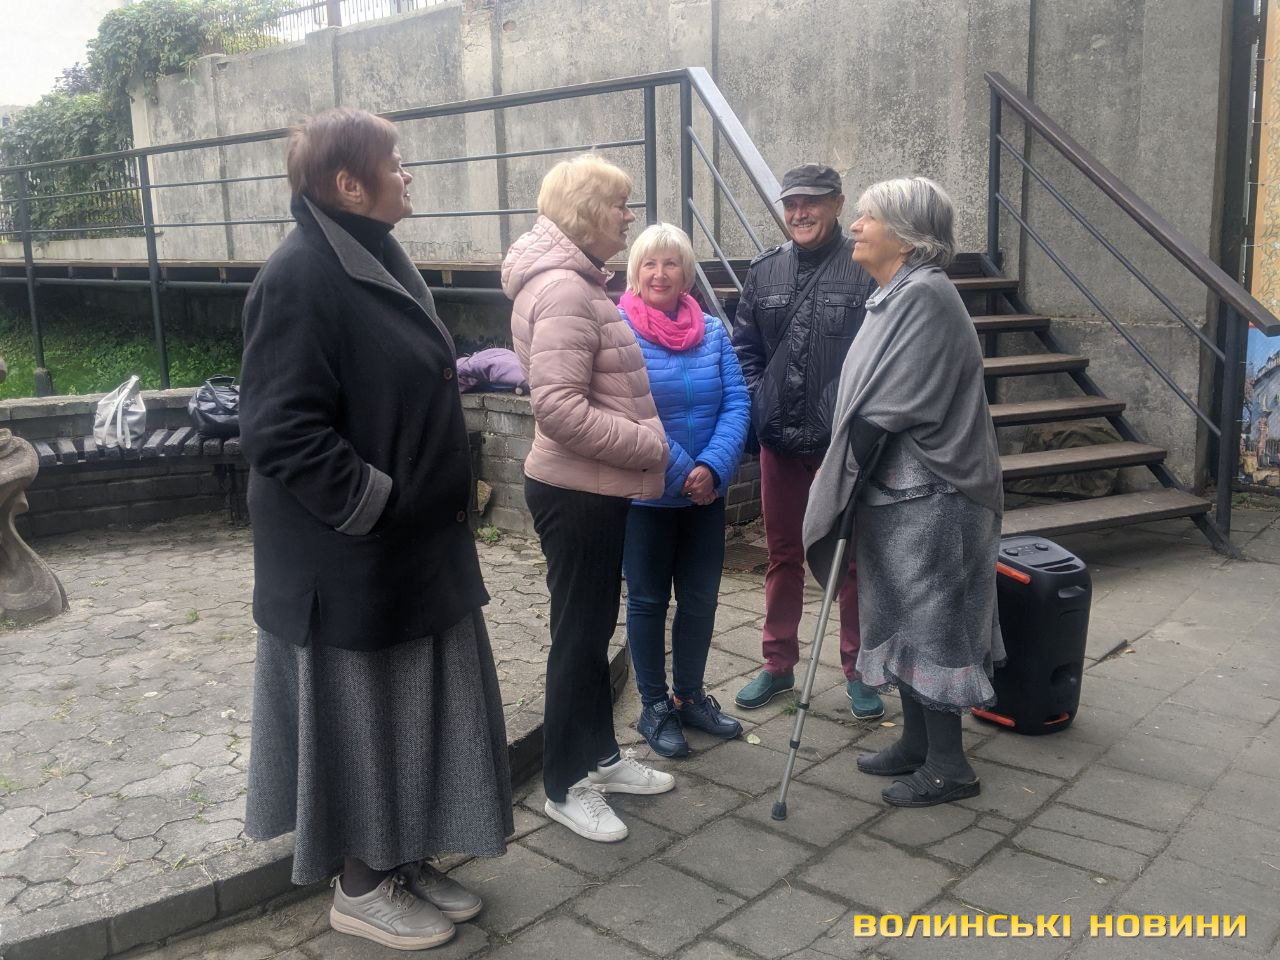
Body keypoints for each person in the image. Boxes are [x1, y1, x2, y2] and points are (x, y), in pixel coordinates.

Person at [240, 107, 512, 951]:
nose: (407, 174)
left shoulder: (374, 254)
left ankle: (399, 857)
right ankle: (359, 887)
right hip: (349, 558)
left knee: (414, 711)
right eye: (395, 163)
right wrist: (379, 503)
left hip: (412, 549)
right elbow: (278, 429)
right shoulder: (298, 276)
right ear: (347, 184)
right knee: (365, 721)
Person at [803, 176, 1005, 807]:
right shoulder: (894, 294)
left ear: (908, 236)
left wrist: (840, 480)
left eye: (868, 217)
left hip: (935, 495)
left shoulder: (925, 295)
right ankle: (916, 744)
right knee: (899, 616)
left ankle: (949, 766)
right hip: (899, 494)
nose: (855, 226)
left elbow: (891, 404)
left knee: (934, 624)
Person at [503, 155, 674, 843]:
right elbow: (559, 409)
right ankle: (565, 784)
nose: (630, 217)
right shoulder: (565, 291)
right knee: (577, 639)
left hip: (591, 487)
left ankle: (600, 759)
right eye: (620, 204)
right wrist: (648, 444)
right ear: (585, 212)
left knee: (592, 629)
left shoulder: (576, 281)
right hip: (576, 491)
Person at [730, 163, 883, 719]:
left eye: (812, 202)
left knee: (850, 557)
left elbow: (881, 355)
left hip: (840, 445)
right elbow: (744, 348)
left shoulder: (866, 269)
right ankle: (777, 664)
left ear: (838, 203)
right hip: (780, 443)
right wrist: (760, 400)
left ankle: (859, 670)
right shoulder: (764, 271)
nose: (800, 213)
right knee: (783, 555)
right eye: (791, 204)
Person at [618, 223, 751, 758]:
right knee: (648, 600)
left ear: (687, 273)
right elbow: (628, 410)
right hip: (646, 496)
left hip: (705, 497)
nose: (660, 273)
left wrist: (713, 468)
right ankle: (654, 705)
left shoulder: (713, 332)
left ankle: (690, 696)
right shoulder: (620, 329)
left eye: (671, 263)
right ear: (635, 272)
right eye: (649, 263)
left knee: (700, 599)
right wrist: (682, 471)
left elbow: (737, 402)